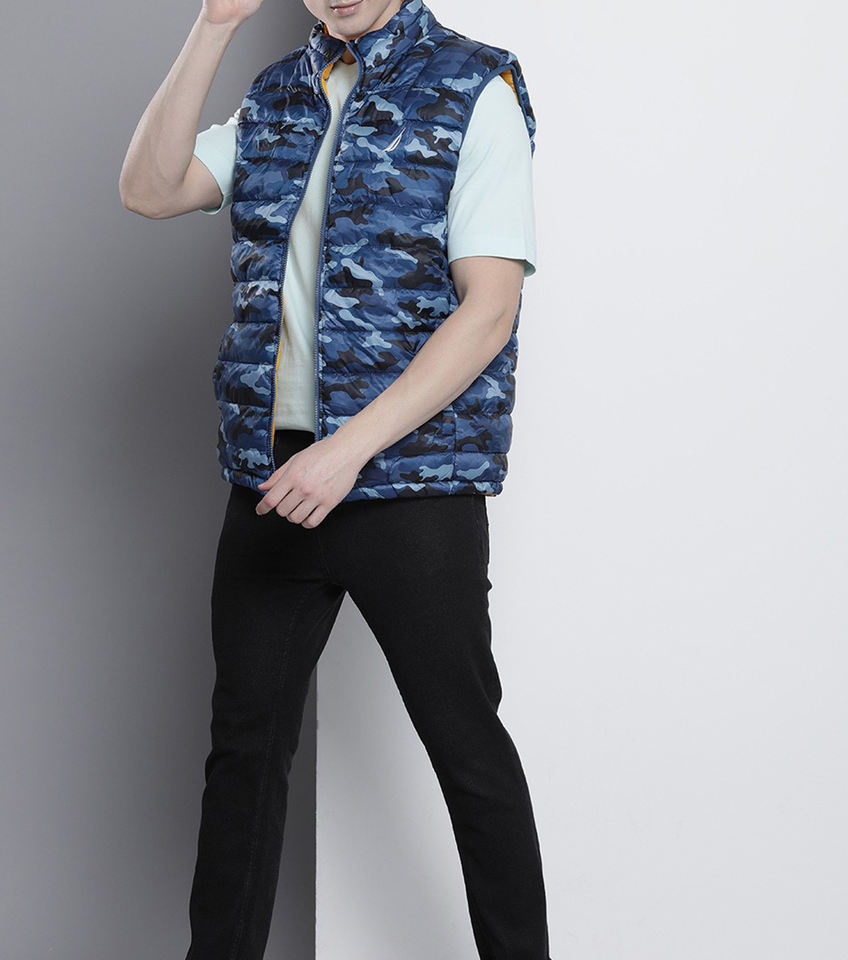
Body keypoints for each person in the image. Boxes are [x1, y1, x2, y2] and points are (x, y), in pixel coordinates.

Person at [119, 1, 549, 958]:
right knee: (244, 757)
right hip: (272, 484)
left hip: (410, 491)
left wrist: (347, 451)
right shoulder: (277, 94)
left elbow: (488, 309)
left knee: (468, 754)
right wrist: (214, 25)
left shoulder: (473, 82)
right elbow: (150, 189)